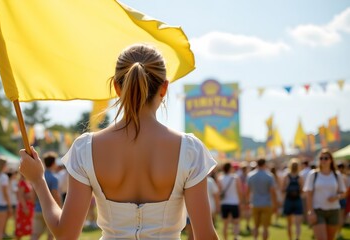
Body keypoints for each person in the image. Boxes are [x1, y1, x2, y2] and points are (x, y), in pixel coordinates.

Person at [19, 44, 219, 239]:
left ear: (116, 86)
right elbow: (205, 236)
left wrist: (38, 180)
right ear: (164, 87)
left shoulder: (85, 149)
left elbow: (65, 234)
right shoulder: (189, 150)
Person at [304, 149, 346, 240]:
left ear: (331, 160)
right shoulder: (313, 174)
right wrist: (310, 211)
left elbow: (343, 192)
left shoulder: (337, 175)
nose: (323, 160)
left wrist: (336, 197)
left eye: (326, 158)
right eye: (321, 158)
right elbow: (308, 194)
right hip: (318, 210)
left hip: (334, 210)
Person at [31, 151, 61, 240]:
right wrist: (59, 208)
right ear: (53, 163)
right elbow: (55, 194)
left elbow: (33, 193)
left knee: (35, 235)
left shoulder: (39, 176)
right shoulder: (54, 178)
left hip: (38, 209)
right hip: (50, 211)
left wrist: (34, 204)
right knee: (50, 235)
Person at [246, 158, 277, 240]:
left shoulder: (250, 175)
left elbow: (248, 191)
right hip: (267, 203)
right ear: (264, 164)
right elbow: (272, 192)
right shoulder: (269, 176)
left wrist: (247, 202)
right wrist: (275, 204)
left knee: (255, 226)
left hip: (255, 203)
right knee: (265, 228)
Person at [218, 162, 241, 240]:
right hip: (234, 202)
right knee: (236, 222)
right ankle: (235, 237)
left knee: (225, 224)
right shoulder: (235, 178)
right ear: (230, 168)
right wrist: (241, 201)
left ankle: (225, 238)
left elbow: (220, 191)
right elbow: (239, 191)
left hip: (224, 203)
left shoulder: (220, 178)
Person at [282, 158, 304, 240]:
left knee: (289, 223)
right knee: (298, 223)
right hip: (297, 200)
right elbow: (302, 190)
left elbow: (282, 189)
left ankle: (290, 238)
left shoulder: (286, 176)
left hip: (289, 200)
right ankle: (297, 237)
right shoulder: (300, 177)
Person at [15, 174, 34, 240]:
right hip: (24, 207)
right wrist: (25, 207)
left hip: (28, 206)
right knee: (21, 229)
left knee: (28, 228)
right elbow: (20, 196)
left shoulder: (27, 182)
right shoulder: (22, 182)